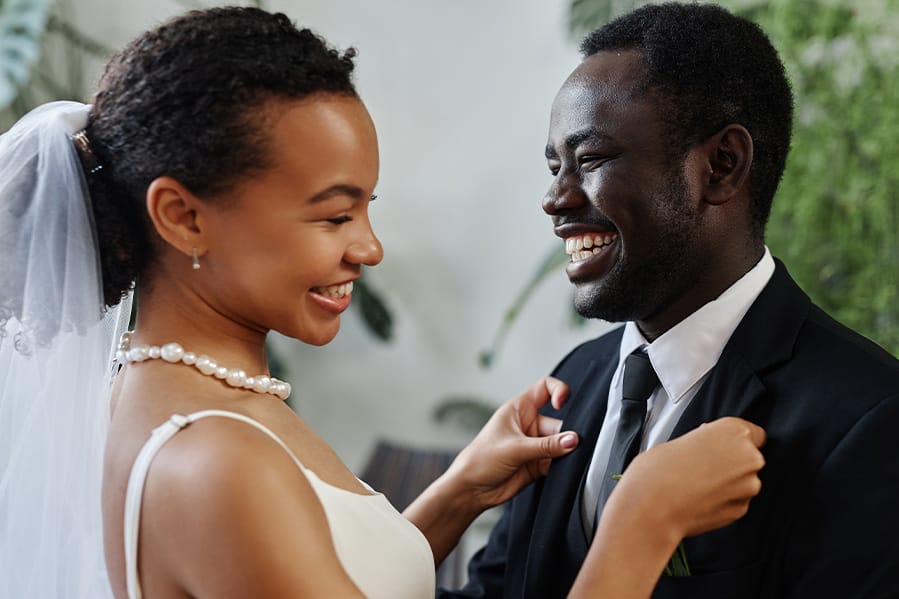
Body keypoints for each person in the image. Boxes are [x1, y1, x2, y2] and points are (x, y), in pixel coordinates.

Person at [0, 7, 766, 599]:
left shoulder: (188, 399)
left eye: (367, 208)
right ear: (183, 215)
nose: (367, 248)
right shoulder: (214, 460)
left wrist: (456, 495)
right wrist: (642, 520)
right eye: (333, 215)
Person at [442, 2, 899, 598]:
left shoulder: (869, 419)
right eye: (555, 166)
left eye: (591, 159)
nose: (555, 199)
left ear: (721, 166)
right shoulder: (573, 383)